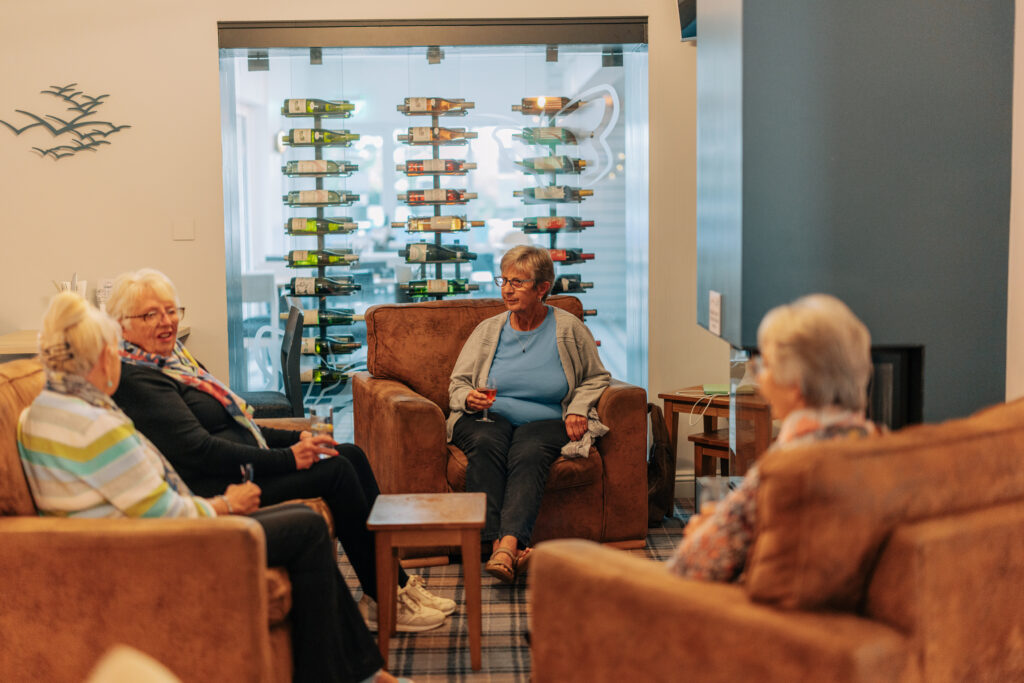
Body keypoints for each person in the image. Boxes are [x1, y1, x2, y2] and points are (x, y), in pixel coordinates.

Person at [17, 292, 408, 683]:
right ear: (103, 358)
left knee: (306, 518)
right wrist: (225, 505)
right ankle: (353, 675)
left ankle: (364, 674)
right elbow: (167, 513)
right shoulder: (99, 427)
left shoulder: (37, 414)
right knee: (306, 528)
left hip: (118, 541)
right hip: (151, 549)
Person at [105, 268, 451, 632]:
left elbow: (240, 424)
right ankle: (383, 599)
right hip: (218, 486)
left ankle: (395, 584)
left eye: (171, 310)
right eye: (150, 315)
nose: (166, 322)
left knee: (349, 453)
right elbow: (201, 450)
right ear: (121, 325)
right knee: (336, 470)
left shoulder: (177, 360)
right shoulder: (138, 377)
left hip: (239, 467)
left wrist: (295, 439)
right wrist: (288, 458)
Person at [667, 293, 881, 582]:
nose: (759, 379)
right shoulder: (882, 448)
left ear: (796, 386)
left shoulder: (780, 473)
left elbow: (690, 569)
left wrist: (697, 535)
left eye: (764, 366)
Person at [448, 245, 610, 583]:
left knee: (530, 449)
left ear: (542, 288)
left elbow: (597, 376)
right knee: (488, 440)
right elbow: (458, 384)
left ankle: (506, 546)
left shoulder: (568, 329)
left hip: (546, 421)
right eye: (504, 280)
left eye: (517, 282)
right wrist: (468, 398)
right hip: (486, 417)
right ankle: (504, 548)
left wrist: (578, 409)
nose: (507, 289)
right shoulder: (488, 331)